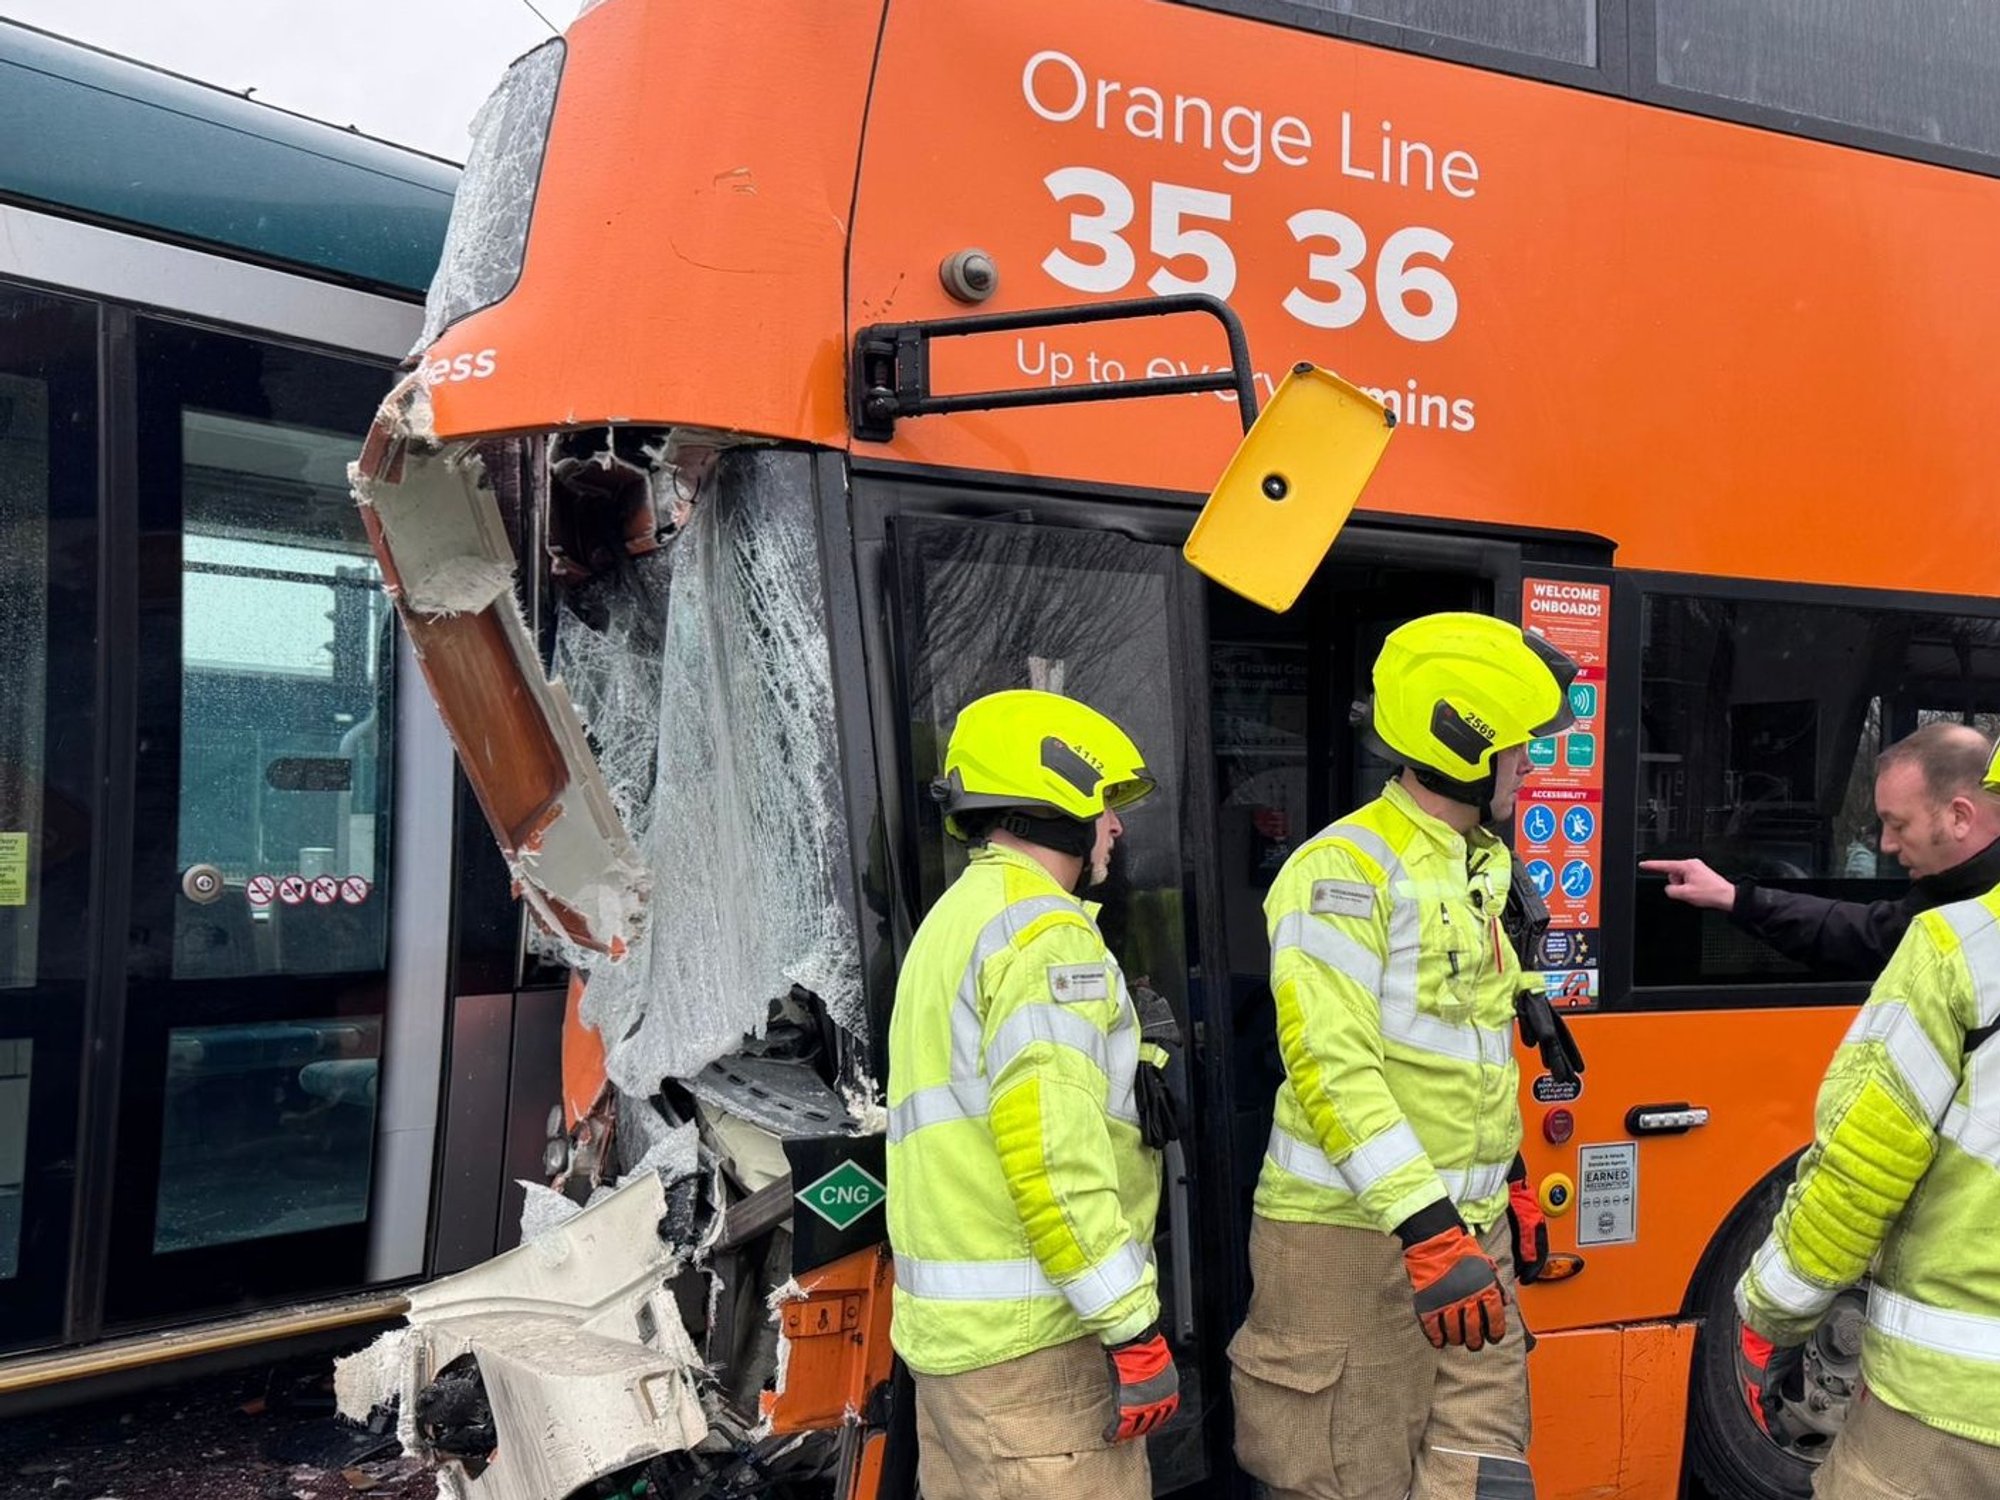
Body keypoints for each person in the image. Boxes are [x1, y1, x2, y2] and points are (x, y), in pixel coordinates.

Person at [1230, 612, 1578, 1500]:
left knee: (1485, 1473)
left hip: (1467, 1238)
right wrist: (1427, 1229)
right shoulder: (1342, 871)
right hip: (1350, 1243)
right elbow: (1331, 1071)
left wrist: (1499, 1182)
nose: (1531, 763)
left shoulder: (1477, 868)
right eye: (1519, 745)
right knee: (1346, 1478)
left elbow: (1462, 1057)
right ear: (1465, 745)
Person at [886, 688, 1178, 1500]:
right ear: (1060, 805)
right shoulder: (1046, 934)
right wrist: (1132, 1325)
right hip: (1038, 1361)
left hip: (956, 1357)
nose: (1117, 827)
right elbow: (1052, 1158)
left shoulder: (958, 919)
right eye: (1105, 806)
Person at [1733, 736, 2000, 1498]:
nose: (1881, 845)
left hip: (1951, 1415)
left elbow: (1858, 1170)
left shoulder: (1959, 948)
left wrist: (1770, 1315)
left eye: (1894, 824)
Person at [1641, 722, 2000, 979]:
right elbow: (1866, 934)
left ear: (1959, 816)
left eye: (1899, 824)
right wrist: (1734, 897)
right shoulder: (1951, 900)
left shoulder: (1980, 916)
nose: (1887, 845)